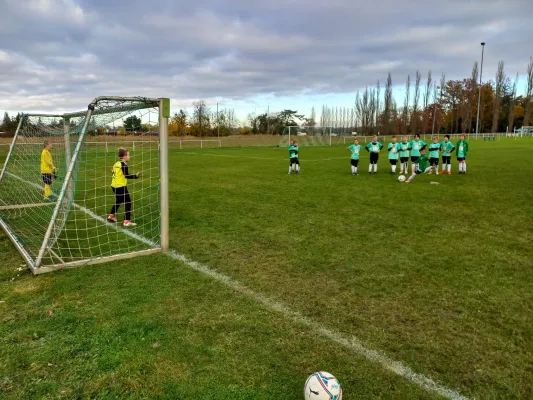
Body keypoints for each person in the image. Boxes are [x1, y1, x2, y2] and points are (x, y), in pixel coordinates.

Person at [108, 148, 141, 227]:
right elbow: (126, 175)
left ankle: (111, 216)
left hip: (114, 185)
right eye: (128, 155)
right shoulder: (124, 164)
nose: (129, 156)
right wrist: (135, 176)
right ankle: (126, 221)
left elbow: (112, 171)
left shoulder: (116, 163)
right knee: (128, 202)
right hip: (120, 186)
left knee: (119, 200)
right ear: (124, 156)